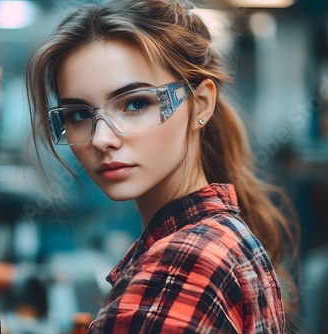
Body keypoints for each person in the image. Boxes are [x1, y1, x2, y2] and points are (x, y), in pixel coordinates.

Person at [26, 0, 299, 332]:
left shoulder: (186, 263)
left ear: (201, 104)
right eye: (79, 115)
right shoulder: (217, 238)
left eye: (135, 103)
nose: (100, 139)